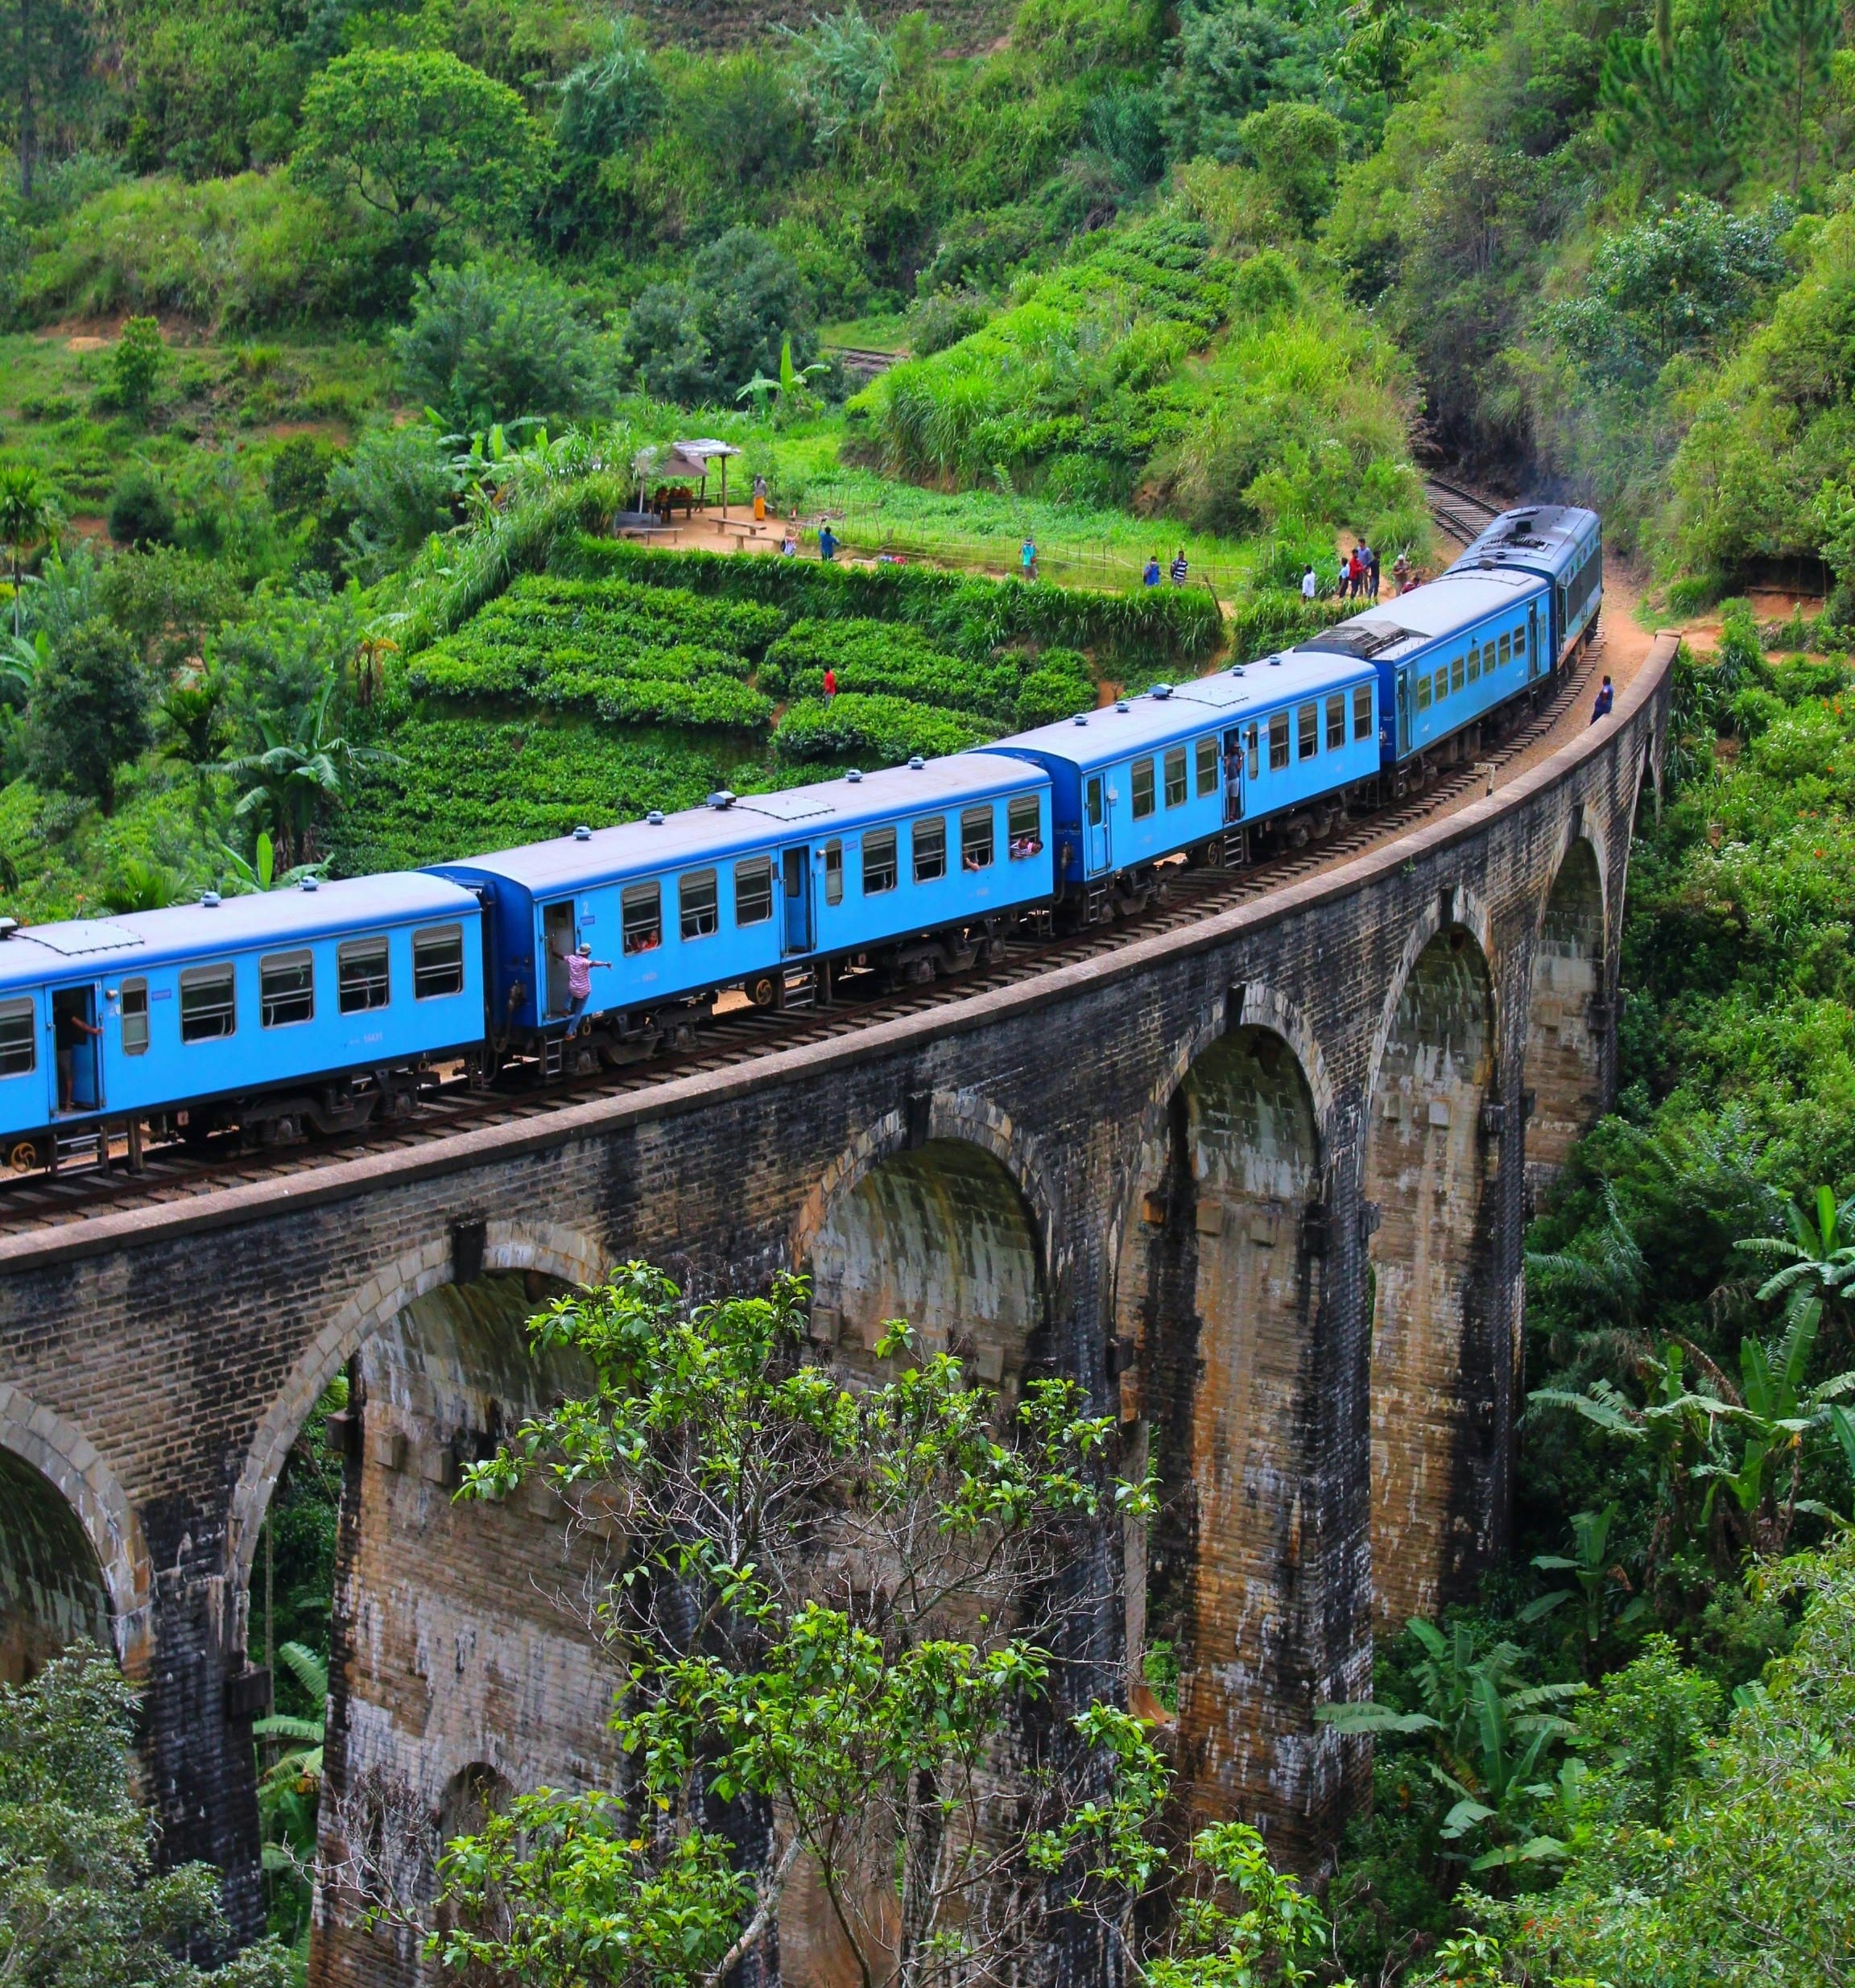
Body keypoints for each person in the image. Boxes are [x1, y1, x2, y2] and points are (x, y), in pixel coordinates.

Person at [55, 1002, 101, 1111]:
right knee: (67, 1076)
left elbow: (79, 1024)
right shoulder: (65, 1013)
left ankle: (64, 1103)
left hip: (57, 1049)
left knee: (62, 1076)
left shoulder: (60, 1014)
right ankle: (67, 1103)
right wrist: (93, 1030)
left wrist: (93, 1030)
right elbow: (80, 1024)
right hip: (64, 1049)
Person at [560, 940, 611, 1037]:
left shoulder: (571, 958)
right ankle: (569, 1033)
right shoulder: (585, 962)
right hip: (585, 990)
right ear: (587, 954)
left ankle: (566, 1010)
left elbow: (561, 957)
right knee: (579, 1012)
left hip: (574, 988)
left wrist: (553, 951)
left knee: (569, 993)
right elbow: (595, 963)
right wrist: (606, 964)